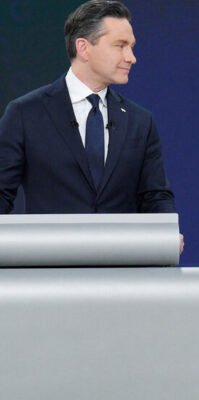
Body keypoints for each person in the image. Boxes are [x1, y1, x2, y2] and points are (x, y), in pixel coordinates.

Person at [0, 0, 184, 251]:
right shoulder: (25, 113)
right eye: (120, 46)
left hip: (121, 263)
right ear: (84, 48)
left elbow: (155, 195)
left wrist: (166, 237)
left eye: (131, 47)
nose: (131, 58)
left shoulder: (140, 121)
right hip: (50, 263)